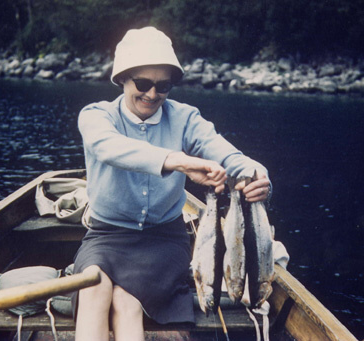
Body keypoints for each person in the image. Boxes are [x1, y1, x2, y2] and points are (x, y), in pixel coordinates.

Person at [72, 26, 271, 341]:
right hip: (105, 237)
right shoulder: (96, 116)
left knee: (127, 301)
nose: (152, 94)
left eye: (163, 86)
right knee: (93, 286)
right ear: (122, 78)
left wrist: (257, 175)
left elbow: (231, 156)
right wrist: (181, 161)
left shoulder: (186, 118)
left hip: (164, 242)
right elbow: (107, 148)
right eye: (142, 83)